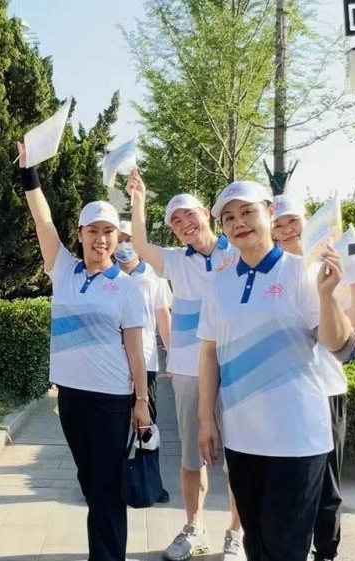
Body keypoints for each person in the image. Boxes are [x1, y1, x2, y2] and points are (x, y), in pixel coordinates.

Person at [196, 180, 355, 561]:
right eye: (229, 218)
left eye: (247, 212)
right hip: (242, 438)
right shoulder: (217, 284)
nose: (238, 223)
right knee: (256, 545)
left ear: (270, 213)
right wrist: (206, 419)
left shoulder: (303, 272)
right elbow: (209, 353)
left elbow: (340, 347)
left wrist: (326, 296)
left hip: (297, 440)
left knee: (285, 549)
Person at [17, 142, 151, 561]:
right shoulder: (64, 270)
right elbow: (42, 219)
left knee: (107, 489)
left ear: (117, 238)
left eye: (108, 232)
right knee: (90, 482)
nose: (100, 239)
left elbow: (135, 351)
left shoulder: (127, 288)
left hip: (111, 400)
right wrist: (29, 173)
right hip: (71, 397)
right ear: (80, 235)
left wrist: (141, 402)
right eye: (92, 231)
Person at [126, 170, 237, 561]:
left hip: (236, 366)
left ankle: (236, 534)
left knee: (240, 458)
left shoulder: (237, 251)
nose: (185, 223)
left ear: (206, 213)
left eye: (189, 214)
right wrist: (138, 199)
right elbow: (140, 245)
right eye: (175, 221)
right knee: (192, 456)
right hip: (189, 369)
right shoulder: (175, 261)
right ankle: (194, 527)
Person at [272, 194, 355, 561]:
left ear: (308, 222)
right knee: (285, 478)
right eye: (279, 225)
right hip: (282, 391)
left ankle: (326, 551)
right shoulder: (269, 272)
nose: (287, 230)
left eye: (293, 221)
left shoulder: (332, 264)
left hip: (326, 389)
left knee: (327, 482)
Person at [115, 220, 173, 503]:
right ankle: (112, 482)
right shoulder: (107, 273)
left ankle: (151, 482)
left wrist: (172, 353)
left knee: (146, 426)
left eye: (128, 238)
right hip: (112, 364)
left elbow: (163, 316)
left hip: (146, 360)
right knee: (114, 425)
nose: (123, 244)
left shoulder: (153, 273)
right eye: (119, 238)